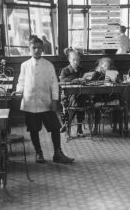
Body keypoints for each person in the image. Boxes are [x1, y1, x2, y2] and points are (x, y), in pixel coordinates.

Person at [16, 36, 74, 164]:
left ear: (42, 49)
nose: (36, 50)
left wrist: (54, 100)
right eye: (33, 48)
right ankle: (39, 153)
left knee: (54, 127)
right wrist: (19, 92)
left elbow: (54, 84)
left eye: (39, 48)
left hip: (46, 103)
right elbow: (21, 82)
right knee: (33, 129)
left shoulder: (48, 65)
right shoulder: (24, 65)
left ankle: (58, 153)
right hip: (29, 102)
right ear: (29, 49)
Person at [59, 48, 88, 136]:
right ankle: (76, 128)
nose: (76, 62)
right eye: (74, 60)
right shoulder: (65, 70)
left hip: (80, 95)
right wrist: (76, 80)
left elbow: (87, 79)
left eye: (78, 60)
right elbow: (62, 80)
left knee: (80, 100)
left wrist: (85, 80)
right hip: (67, 96)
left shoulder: (82, 70)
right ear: (69, 60)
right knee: (78, 101)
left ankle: (69, 125)